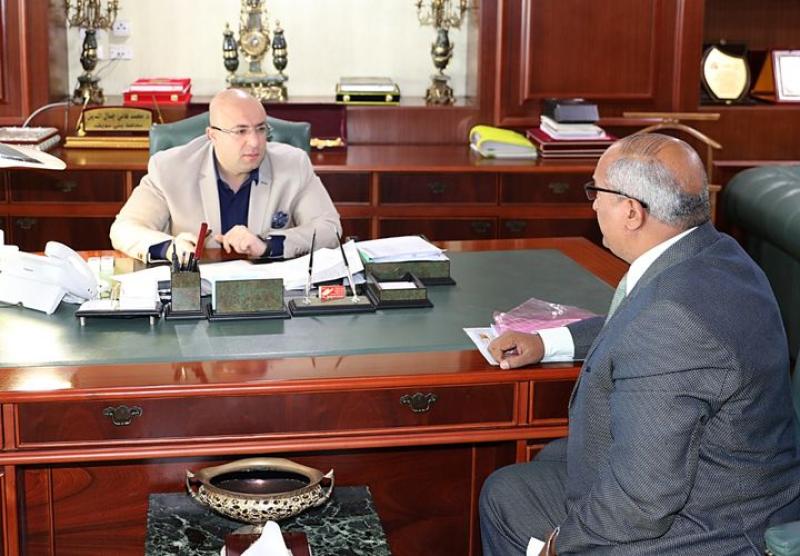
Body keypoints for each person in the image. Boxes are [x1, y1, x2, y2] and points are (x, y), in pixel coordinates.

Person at [479, 133, 800, 555]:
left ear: (631, 211)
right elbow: (641, 322)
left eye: (596, 191)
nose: (593, 205)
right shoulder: (719, 256)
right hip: (732, 482)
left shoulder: (672, 319)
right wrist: (548, 342)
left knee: (506, 498)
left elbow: (642, 499)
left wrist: (558, 546)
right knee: (535, 470)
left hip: (708, 529)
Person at [109, 88, 341, 262]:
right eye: (241, 131)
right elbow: (124, 228)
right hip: (196, 295)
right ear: (213, 135)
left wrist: (267, 245)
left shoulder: (293, 164)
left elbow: (329, 228)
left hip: (269, 292)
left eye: (261, 129)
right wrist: (170, 248)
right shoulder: (169, 168)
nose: (255, 142)